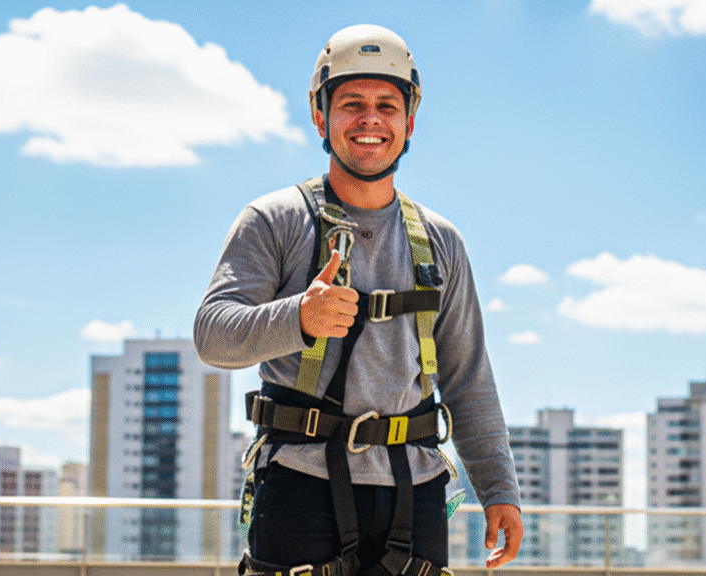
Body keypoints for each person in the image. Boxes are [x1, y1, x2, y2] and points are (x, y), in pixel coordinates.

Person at [194, 24, 522, 576]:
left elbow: (468, 377)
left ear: (409, 121)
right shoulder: (274, 221)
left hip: (415, 490)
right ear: (321, 117)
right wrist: (298, 316)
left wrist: (499, 489)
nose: (370, 121)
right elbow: (214, 335)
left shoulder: (440, 241)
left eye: (386, 106)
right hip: (301, 483)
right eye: (351, 104)